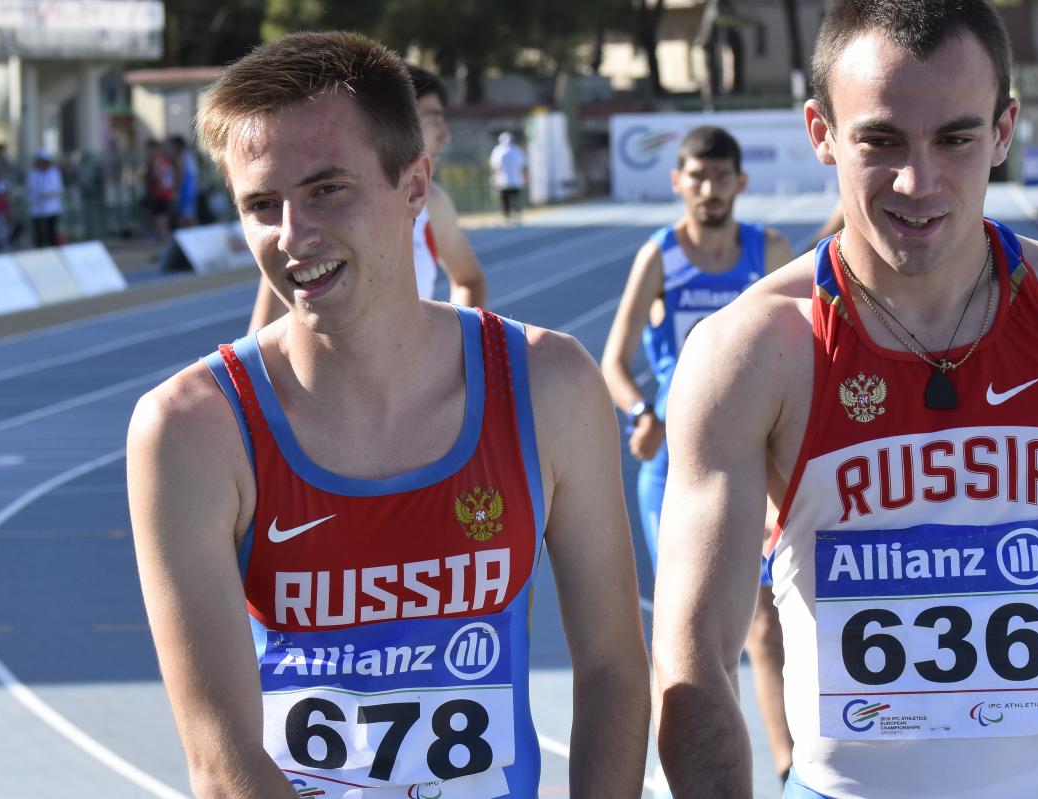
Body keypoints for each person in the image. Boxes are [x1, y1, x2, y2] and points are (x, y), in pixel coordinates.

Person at [652, 2, 1038, 798]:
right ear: (821, 132)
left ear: (1004, 131)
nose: (918, 181)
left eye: (956, 138)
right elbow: (692, 652)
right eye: (880, 140)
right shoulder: (751, 352)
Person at [128, 31, 649, 798]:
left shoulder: (550, 386)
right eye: (261, 205)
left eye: (327, 189)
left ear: (415, 187)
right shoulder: (191, 428)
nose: (292, 236)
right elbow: (219, 752)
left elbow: (612, 667)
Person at [600, 124, 795, 790]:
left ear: (740, 182)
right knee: (696, 633)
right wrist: (640, 413)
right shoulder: (659, 255)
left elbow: (809, 351)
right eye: (696, 177)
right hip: (675, 470)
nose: (709, 189)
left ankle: (789, 764)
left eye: (721, 177)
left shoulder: (769, 250)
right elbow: (614, 362)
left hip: (753, 459)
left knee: (764, 621)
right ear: (678, 181)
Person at [248, 64, 487, 331]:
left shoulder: (434, 203)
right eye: (432, 118)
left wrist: (459, 353)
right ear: (397, 125)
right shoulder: (306, 229)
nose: (445, 134)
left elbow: (469, 280)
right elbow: (260, 340)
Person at [26, 149, 64, 248]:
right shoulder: (33, 174)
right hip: (37, 208)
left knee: (51, 231)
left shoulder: (54, 173)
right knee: (39, 232)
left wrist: (48, 194)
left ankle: (53, 249)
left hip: (52, 207)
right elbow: (31, 189)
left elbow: (58, 188)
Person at [488, 131, 526, 223]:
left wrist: (495, 177)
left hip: (503, 179)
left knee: (505, 198)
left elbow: (495, 166)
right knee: (514, 197)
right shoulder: (516, 150)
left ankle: (507, 215)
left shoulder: (498, 150)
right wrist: (523, 177)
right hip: (514, 179)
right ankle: (516, 214)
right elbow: (521, 165)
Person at [169, 134, 199, 228]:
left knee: (186, 215)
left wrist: (175, 188)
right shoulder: (188, 155)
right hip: (190, 188)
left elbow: (181, 175)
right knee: (189, 214)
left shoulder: (182, 157)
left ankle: (189, 235)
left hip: (185, 189)